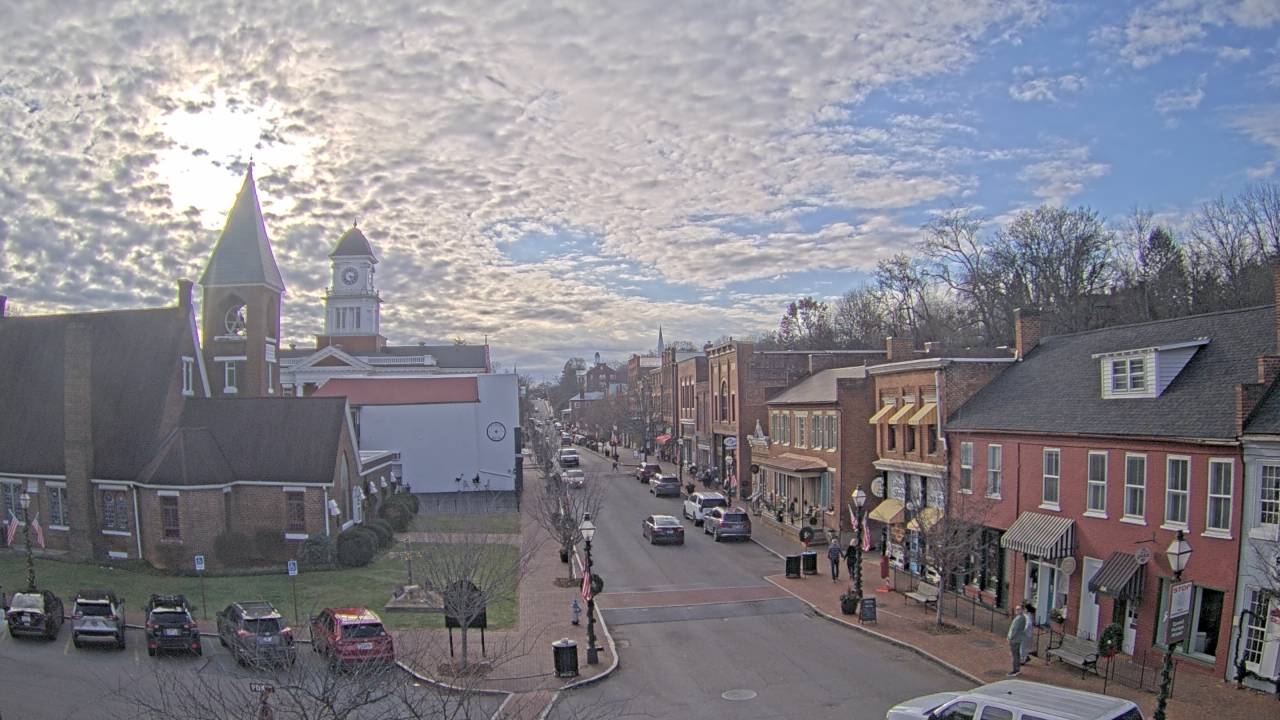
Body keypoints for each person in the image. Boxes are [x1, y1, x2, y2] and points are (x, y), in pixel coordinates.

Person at [1006, 603, 1029, 677]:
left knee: (1015, 655)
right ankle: (1016, 669)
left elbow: (1015, 630)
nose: (1016, 610)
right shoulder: (1019, 617)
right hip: (1015, 639)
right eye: (1016, 609)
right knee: (1016, 654)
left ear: (1022, 610)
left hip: (1015, 640)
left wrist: (1010, 638)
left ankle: (1015, 670)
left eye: (1018, 609)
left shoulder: (1021, 618)